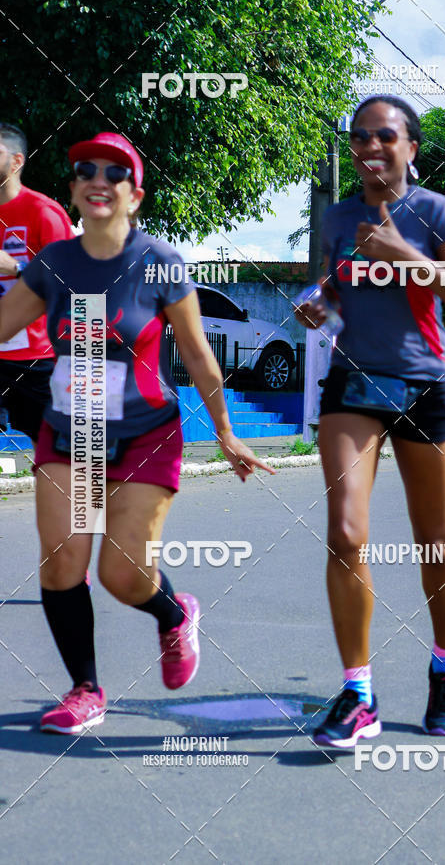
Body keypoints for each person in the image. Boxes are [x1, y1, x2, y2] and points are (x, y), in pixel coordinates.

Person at [0, 131, 274, 734]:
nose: (99, 179)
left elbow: (200, 356)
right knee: (61, 563)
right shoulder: (54, 264)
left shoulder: (159, 264)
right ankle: (84, 690)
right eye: (85, 170)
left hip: (146, 433)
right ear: (72, 189)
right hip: (69, 429)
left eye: (115, 172)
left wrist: (227, 432)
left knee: (123, 576)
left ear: (135, 194)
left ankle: (174, 614)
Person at [296, 96, 445, 746]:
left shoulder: (434, 211)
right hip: (353, 385)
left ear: (411, 146)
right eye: (360, 136)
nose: (371, 145)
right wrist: (318, 299)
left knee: (433, 539)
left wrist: (406, 253)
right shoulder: (338, 217)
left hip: (425, 386)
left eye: (386, 135)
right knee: (347, 533)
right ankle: (359, 693)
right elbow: (336, 281)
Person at [0, 123, 73, 445]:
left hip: (35, 358)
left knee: (62, 455)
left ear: (16, 162)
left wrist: (16, 268)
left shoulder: (43, 213)